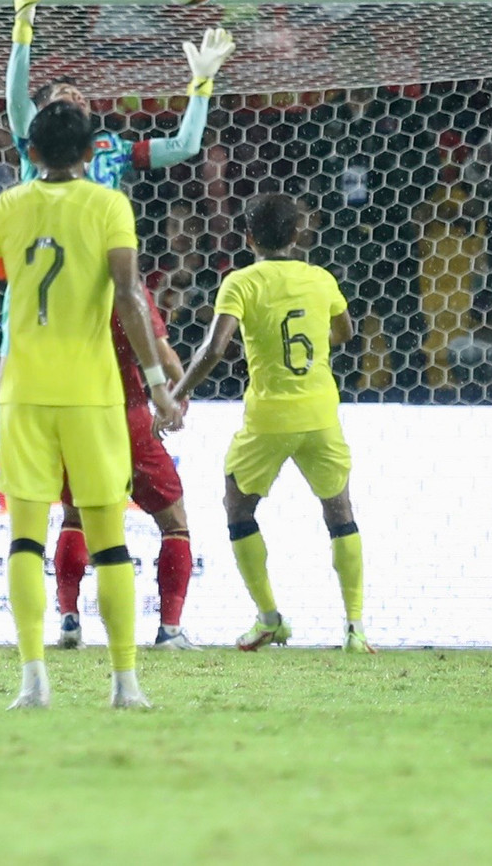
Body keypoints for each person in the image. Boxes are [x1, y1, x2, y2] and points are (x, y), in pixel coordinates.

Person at [0, 0, 234, 649]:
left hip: (103, 296)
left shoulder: (109, 151)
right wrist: (21, 34)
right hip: (61, 304)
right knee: (74, 467)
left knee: (73, 498)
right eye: (61, 95)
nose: (71, 95)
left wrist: (200, 89)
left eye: (76, 94)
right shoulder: (38, 152)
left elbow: (184, 147)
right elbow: (18, 105)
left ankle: (61, 625)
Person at [0, 100, 184, 710]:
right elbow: (130, 296)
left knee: (26, 540)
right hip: (93, 395)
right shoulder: (110, 204)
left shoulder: (6, 206)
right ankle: (125, 685)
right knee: (108, 541)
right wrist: (159, 383)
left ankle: (33, 681)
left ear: (29, 152)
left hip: (25, 393)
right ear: (91, 153)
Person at [173, 192, 371, 654]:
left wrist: (178, 394)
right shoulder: (320, 279)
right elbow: (346, 332)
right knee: (340, 513)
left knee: (238, 507)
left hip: (268, 417)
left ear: (249, 238)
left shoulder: (240, 283)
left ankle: (269, 618)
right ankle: (356, 628)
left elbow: (215, 347)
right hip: (320, 412)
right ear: (298, 235)